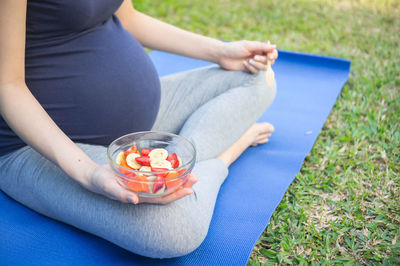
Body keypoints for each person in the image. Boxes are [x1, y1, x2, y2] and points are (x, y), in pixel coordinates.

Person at [0, 0, 278, 259]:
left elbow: (128, 18)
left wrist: (220, 51)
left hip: (142, 126)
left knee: (255, 79)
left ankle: (174, 166)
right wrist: (89, 173)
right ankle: (225, 155)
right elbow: (7, 86)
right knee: (173, 230)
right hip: (39, 147)